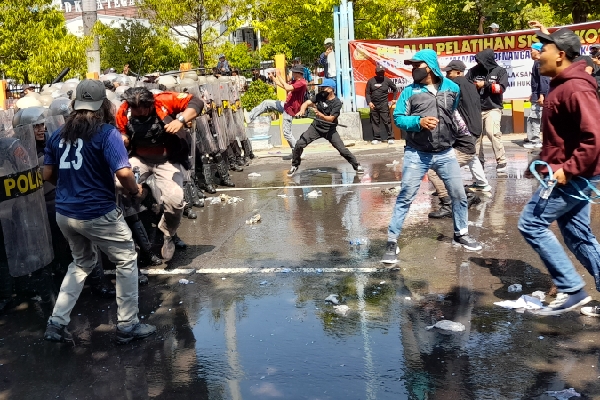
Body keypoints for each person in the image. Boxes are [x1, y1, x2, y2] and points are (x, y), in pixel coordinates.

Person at [43, 79, 156, 344]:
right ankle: (128, 324)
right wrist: (135, 190)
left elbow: (47, 174)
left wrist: (69, 187)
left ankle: (56, 322)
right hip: (97, 212)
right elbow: (124, 173)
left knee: (80, 263)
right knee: (126, 259)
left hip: (65, 213)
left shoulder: (58, 134)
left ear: (76, 104)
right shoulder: (107, 133)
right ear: (103, 105)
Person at [518, 28, 600, 316]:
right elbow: (561, 138)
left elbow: (594, 137)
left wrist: (569, 169)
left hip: (574, 175)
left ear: (560, 54)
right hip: (570, 172)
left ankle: (572, 289)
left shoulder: (575, 88)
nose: (538, 54)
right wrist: (542, 161)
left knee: (531, 224)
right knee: (577, 235)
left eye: (544, 49)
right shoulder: (560, 85)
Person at [381, 49, 482, 264]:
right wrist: (418, 122)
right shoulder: (409, 92)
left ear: (430, 67)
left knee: (459, 194)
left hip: (445, 152)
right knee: (406, 196)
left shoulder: (452, 88)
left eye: (417, 65)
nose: (413, 69)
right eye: (412, 66)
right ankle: (392, 241)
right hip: (416, 153)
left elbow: (451, 113)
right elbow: (398, 118)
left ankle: (461, 233)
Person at [116, 87, 202, 261]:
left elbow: (197, 102)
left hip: (167, 159)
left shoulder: (163, 100)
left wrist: (180, 120)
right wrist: (123, 138)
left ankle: (168, 234)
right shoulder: (124, 110)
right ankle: (145, 193)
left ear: (150, 104)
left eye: (143, 108)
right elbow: (121, 131)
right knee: (118, 183)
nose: (140, 112)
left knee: (175, 200)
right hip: (140, 158)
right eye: (136, 109)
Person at [427, 60, 490, 219]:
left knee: (438, 169)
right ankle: (478, 186)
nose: (448, 75)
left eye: (450, 72)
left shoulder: (454, 86)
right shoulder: (471, 85)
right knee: (471, 158)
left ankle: (451, 201)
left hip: (465, 131)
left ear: (459, 72)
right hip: (474, 128)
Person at [288, 78, 364, 177]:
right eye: (322, 87)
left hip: (329, 129)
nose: (322, 89)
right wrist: (302, 110)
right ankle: (295, 165)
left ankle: (356, 165)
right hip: (316, 127)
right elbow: (306, 103)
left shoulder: (337, 103)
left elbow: (331, 119)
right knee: (299, 144)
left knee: (342, 150)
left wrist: (321, 115)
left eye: (324, 87)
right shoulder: (320, 96)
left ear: (331, 89)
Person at [466, 49, 509, 172]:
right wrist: (473, 86)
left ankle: (501, 161)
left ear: (488, 60)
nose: (479, 63)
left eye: (481, 60)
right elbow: (466, 86)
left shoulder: (500, 71)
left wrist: (485, 84)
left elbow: (501, 88)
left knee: (492, 133)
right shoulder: (472, 71)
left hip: (493, 108)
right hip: (476, 109)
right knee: (476, 137)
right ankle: (478, 162)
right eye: (478, 61)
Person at [246, 66, 307, 149]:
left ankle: (298, 151)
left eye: (293, 72)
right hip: (286, 105)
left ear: (298, 74)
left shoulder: (302, 83)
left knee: (287, 134)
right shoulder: (296, 81)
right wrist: (273, 78)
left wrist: (279, 75)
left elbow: (287, 88)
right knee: (266, 103)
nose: (291, 74)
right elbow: (284, 86)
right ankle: (250, 116)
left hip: (290, 110)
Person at [525, 42, 550, 149]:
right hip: (537, 94)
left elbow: (544, 80)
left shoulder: (540, 62)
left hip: (540, 96)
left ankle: (535, 140)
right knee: (533, 117)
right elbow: (536, 82)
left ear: (538, 51)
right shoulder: (538, 63)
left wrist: (542, 95)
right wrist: (533, 93)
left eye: (532, 50)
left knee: (534, 117)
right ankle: (534, 139)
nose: (530, 52)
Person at [365, 65, 398, 145]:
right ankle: (377, 138)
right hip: (373, 105)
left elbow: (395, 89)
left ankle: (390, 137)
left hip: (384, 104)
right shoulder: (371, 81)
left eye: (382, 72)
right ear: (376, 73)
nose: (381, 74)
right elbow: (367, 93)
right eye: (379, 72)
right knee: (375, 122)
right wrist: (369, 102)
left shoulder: (387, 80)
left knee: (387, 121)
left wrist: (394, 99)